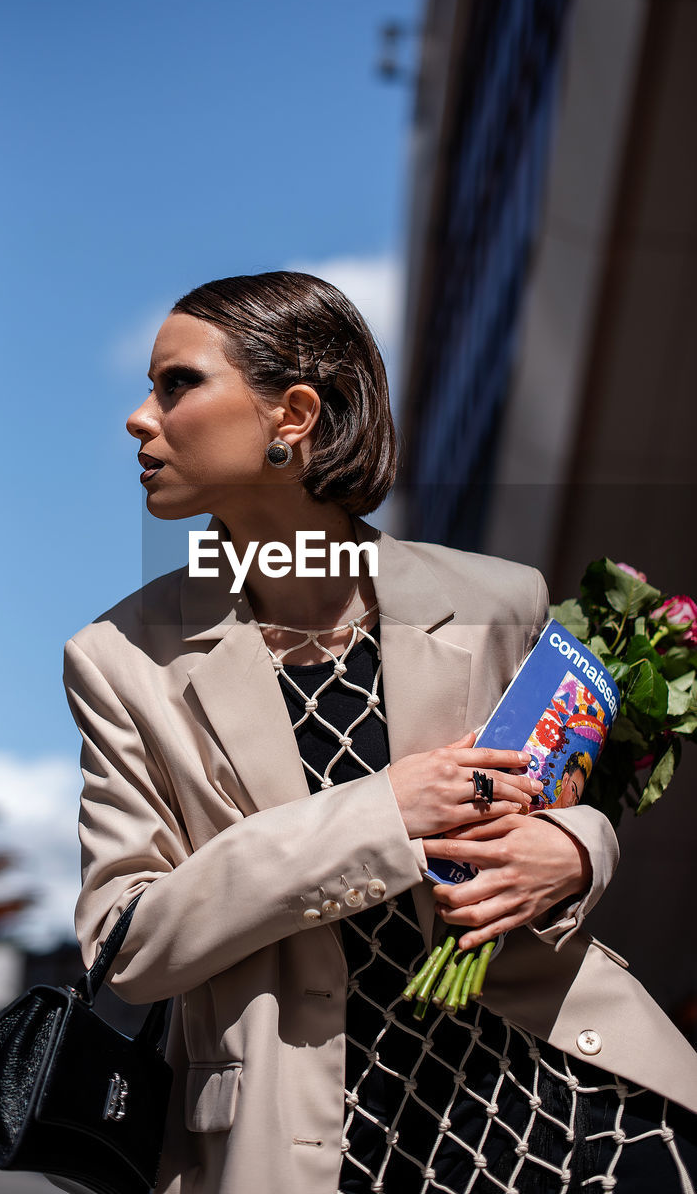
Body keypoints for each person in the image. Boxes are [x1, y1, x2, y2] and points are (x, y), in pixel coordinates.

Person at [63, 272, 697, 1194]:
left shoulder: (497, 599)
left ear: (295, 414)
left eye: (176, 384)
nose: (138, 417)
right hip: (311, 1140)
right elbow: (127, 945)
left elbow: (572, 796)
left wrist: (571, 850)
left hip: (552, 1097)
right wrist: (382, 815)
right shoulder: (120, 658)